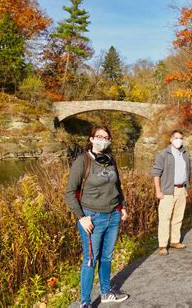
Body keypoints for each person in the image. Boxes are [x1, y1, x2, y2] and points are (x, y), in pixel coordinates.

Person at [65, 127, 129, 307]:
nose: (103, 140)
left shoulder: (110, 160)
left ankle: (106, 292)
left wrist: (122, 206)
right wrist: (81, 217)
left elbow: (118, 186)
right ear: (91, 139)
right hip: (92, 218)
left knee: (107, 257)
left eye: (106, 137)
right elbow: (69, 192)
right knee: (90, 260)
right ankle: (85, 302)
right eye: (99, 137)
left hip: (113, 216)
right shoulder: (82, 161)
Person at [152, 130, 191, 256]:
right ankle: (163, 244)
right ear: (171, 139)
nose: (178, 140)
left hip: (181, 189)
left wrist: (186, 188)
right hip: (168, 190)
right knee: (165, 217)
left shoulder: (185, 154)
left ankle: (175, 241)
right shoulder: (163, 154)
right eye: (176, 138)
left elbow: (188, 172)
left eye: (180, 138)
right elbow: (156, 173)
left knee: (178, 217)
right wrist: (158, 191)